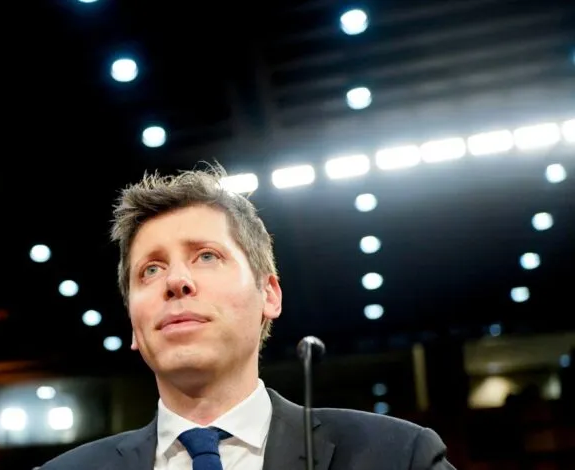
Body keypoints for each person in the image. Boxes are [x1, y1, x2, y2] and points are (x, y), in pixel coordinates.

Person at [39, 164, 455, 469]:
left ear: (268, 294)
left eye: (206, 256)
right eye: (151, 269)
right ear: (132, 322)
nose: (176, 280)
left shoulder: (398, 456)